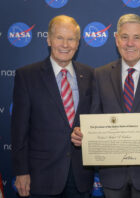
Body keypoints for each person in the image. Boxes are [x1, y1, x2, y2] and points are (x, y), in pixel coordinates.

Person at [71, 13, 140, 198]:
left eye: (137, 37)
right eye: (124, 37)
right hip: (113, 176)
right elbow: (95, 116)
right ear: (116, 39)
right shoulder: (100, 74)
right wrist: (84, 133)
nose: (130, 43)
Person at [11, 15, 94, 197]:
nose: (65, 44)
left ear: (78, 43)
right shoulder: (27, 76)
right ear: (49, 39)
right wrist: (21, 171)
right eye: (59, 37)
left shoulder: (90, 75)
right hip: (41, 176)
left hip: (80, 177)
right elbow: (19, 130)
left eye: (71, 39)